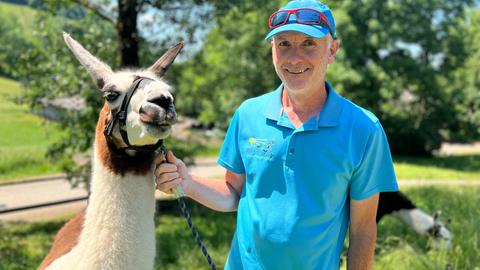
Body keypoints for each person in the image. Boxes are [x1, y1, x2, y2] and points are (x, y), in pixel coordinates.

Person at [155, 0, 398, 269]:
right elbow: (233, 192)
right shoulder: (248, 114)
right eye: (284, 44)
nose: (294, 58)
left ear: (332, 50)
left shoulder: (363, 128)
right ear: (272, 50)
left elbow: (363, 229)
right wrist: (186, 182)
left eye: (309, 43)